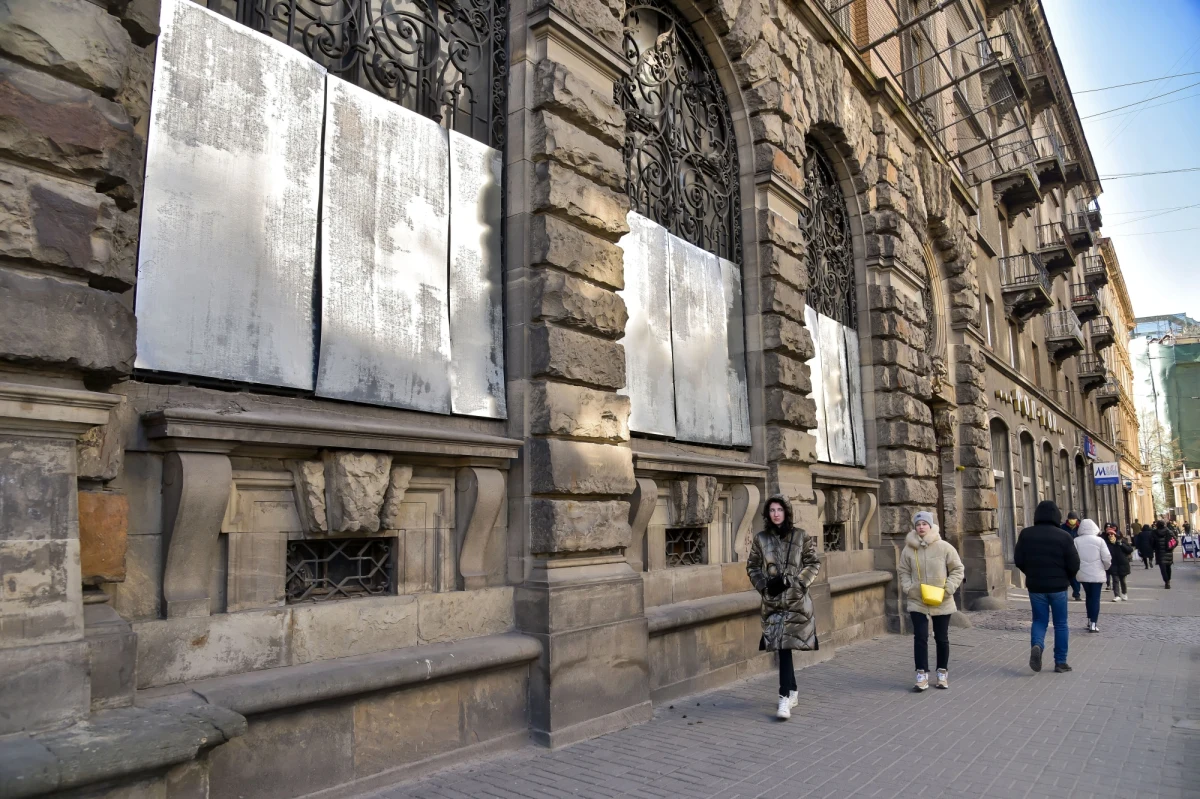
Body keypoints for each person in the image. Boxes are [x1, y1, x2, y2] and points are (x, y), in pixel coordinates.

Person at [746, 495, 820, 720]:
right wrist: (765, 587)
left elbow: (813, 562)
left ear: (786, 512)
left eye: (779, 509)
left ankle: (784, 698)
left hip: (796, 602)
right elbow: (752, 567)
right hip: (773, 602)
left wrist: (799, 584)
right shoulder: (761, 539)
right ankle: (792, 690)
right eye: (772, 510)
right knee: (783, 647)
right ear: (767, 514)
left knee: (785, 648)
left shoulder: (801, 536)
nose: (776, 513)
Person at [897, 511, 965, 692]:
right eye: (918, 524)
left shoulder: (944, 547)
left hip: (941, 599)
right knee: (920, 637)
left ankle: (942, 672)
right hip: (917, 600)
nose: (921, 527)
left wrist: (948, 588)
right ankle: (921, 674)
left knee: (942, 638)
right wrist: (908, 587)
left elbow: (958, 569)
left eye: (924, 524)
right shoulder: (908, 549)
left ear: (930, 526)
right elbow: (903, 570)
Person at [1015, 501, 1080, 673]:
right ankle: (1060, 662)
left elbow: (1018, 559)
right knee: (1060, 624)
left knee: (1039, 620)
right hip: (1058, 587)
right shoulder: (1064, 536)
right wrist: (1067, 577)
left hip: (1036, 586)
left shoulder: (1026, 534)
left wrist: (1030, 572)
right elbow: (1074, 563)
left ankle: (1037, 645)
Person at [1073, 519, 1111, 633]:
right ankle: (1094, 623)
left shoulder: (1076, 541)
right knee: (1095, 598)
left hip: (1083, 572)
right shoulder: (1100, 541)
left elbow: (1073, 557)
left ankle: (1089, 620)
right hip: (1097, 573)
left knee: (1088, 597)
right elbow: (1106, 557)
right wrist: (1106, 567)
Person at [1103, 522, 1132, 602]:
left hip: (1122, 564)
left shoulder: (1122, 541)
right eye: (1108, 534)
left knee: (1123, 580)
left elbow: (1130, 549)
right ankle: (1117, 595)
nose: (1110, 536)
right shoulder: (1106, 543)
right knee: (1115, 580)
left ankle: (1124, 593)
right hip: (1113, 564)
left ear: (1115, 534)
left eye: (1112, 534)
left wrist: (1121, 544)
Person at [1061, 511, 1083, 600]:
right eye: (1070, 519)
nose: (1072, 521)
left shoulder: (1080, 528)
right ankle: (1064, 592)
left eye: (1073, 519)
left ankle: (1077, 593)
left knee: (1074, 573)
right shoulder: (1063, 527)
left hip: (1076, 553)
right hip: (1065, 553)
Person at [1152, 520, 1177, 588]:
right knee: (1168, 567)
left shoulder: (1154, 532)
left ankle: (1166, 581)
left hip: (1159, 553)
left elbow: (1152, 542)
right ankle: (1168, 580)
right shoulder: (1169, 531)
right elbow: (1176, 541)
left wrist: (1154, 548)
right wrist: (1172, 547)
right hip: (1168, 552)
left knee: (1163, 569)